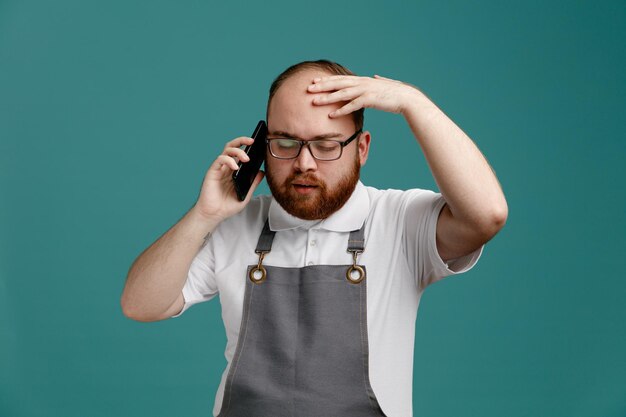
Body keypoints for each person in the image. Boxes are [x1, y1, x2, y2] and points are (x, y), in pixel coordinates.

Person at [121, 59, 508, 417]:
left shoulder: (400, 221)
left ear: (362, 149)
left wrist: (413, 103)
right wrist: (204, 214)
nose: (304, 163)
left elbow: (486, 215)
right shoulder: (235, 226)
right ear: (262, 148)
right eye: (286, 143)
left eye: (325, 146)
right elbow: (141, 305)